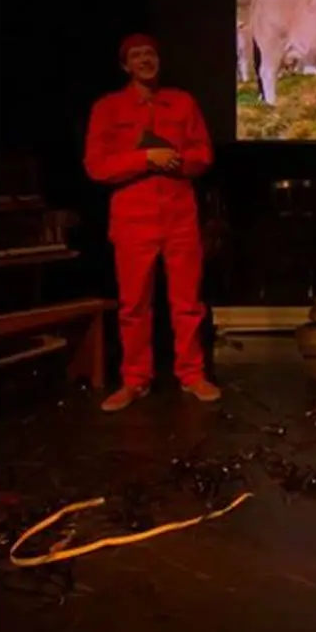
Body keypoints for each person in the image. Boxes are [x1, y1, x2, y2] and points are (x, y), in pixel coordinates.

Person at [84, 34, 221, 412]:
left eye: (150, 54)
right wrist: (145, 159)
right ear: (125, 66)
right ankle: (135, 380)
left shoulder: (182, 102)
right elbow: (97, 165)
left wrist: (176, 160)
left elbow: (203, 153)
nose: (145, 60)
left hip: (179, 215)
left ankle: (192, 374)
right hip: (133, 218)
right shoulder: (108, 108)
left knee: (188, 302)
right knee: (134, 305)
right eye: (136, 55)